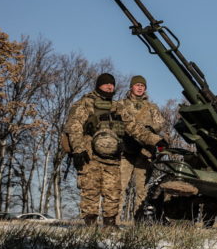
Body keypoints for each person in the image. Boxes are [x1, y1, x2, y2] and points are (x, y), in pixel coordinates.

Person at [65, 73, 163, 227]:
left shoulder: (117, 107)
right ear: (99, 85)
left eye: (112, 84)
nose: (110, 87)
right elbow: (74, 127)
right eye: (106, 84)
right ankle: (90, 225)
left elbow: (134, 128)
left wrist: (157, 140)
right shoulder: (85, 103)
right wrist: (78, 149)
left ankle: (110, 224)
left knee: (113, 191)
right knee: (91, 191)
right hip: (89, 155)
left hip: (112, 157)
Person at [116, 75, 166, 223]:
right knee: (119, 187)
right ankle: (113, 221)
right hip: (125, 151)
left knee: (142, 190)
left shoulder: (152, 107)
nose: (139, 88)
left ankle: (138, 222)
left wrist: (151, 128)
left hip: (145, 153)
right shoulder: (121, 104)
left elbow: (160, 123)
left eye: (142, 86)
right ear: (131, 86)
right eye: (137, 85)